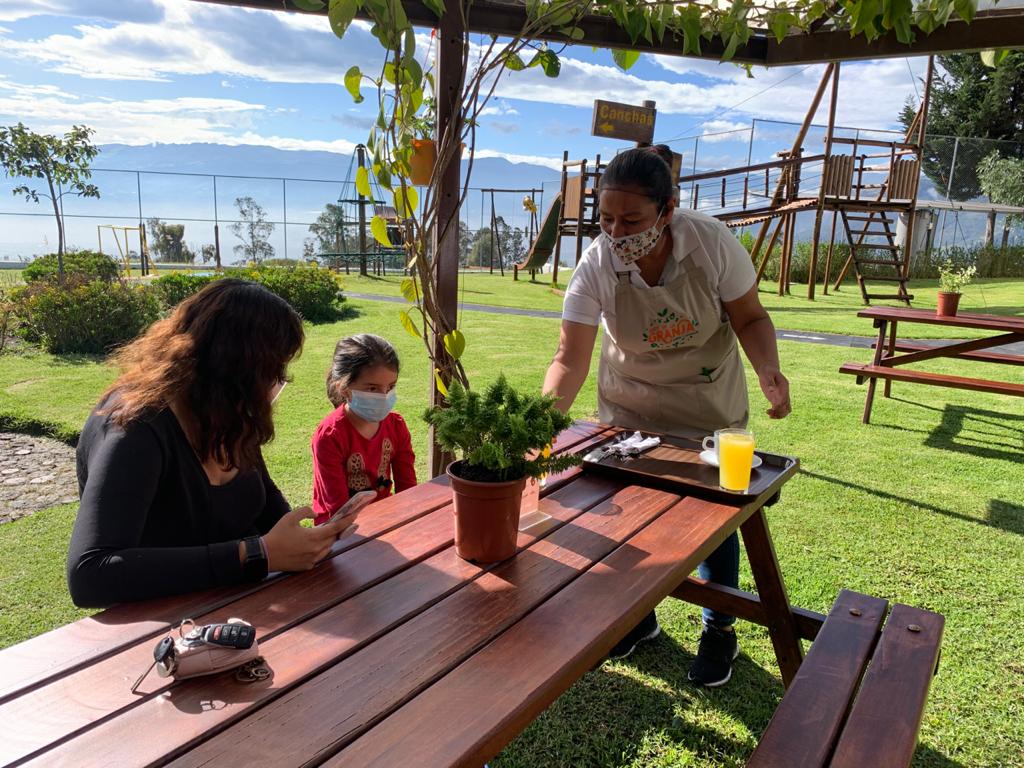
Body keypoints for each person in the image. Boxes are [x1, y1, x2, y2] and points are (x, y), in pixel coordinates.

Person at [543, 148, 791, 687]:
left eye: (631, 220)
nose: (616, 231)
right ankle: (639, 619)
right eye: (606, 218)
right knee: (627, 504)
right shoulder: (596, 264)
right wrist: (542, 420)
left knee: (716, 513)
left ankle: (719, 627)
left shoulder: (711, 243)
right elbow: (570, 356)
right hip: (630, 399)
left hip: (707, 398)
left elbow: (750, 317)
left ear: (668, 210)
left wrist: (768, 369)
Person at [68, 279, 350, 608]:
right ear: (234, 369)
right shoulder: (136, 428)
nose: (280, 382)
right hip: (160, 632)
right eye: (273, 370)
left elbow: (267, 510)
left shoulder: (226, 414)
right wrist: (254, 555)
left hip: (239, 610)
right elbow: (90, 574)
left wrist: (307, 540)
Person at [311, 334, 417, 526]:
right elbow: (338, 508)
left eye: (391, 387)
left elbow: (408, 489)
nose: (384, 397)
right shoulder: (330, 436)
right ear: (344, 389)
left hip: (384, 518)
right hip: (338, 528)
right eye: (372, 388)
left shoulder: (396, 426)